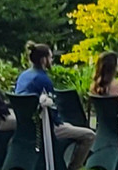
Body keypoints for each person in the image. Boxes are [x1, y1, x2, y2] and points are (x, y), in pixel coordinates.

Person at [14, 42, 95, 170]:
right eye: (51, 57)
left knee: (70, 127)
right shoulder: (42, 79)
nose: (52, 60)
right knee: (89, 135)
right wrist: (61, 123)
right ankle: (73, 167)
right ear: (43, 60)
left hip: (26, 126)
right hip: (46, 128)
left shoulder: (23, 76)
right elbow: (53, 112)